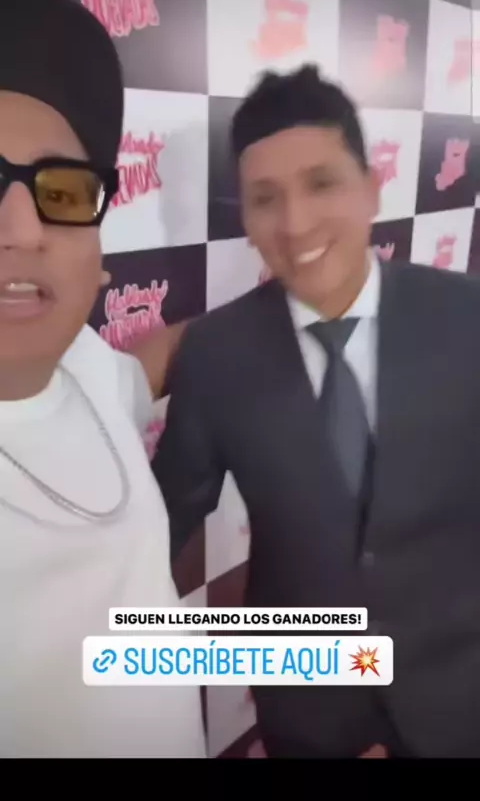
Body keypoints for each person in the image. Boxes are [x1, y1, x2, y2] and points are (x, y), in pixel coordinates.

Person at [148, 64, 480, 758]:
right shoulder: (216, 354)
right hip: (309, 716)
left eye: (321, 183)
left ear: (372, 189)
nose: (294, 223)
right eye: (265, 198)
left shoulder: (466, 318)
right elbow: (157, 529)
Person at [0, 0, 205, 758]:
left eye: (60, 191)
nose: (22, 228)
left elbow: (150, 367)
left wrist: (293, 301)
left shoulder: (80, 364)